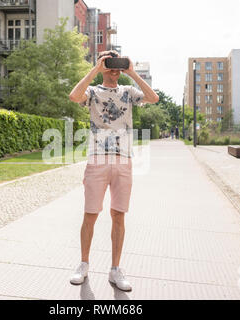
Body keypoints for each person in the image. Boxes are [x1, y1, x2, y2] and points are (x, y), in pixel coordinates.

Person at [69, 50, 159, 291]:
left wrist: (132, 72)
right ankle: (84, 264)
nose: (113, 68)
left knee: (119, 215)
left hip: (123, 160)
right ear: (102, 65)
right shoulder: (94, 92)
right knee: (91, 214)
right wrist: (94, 70)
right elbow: (74, 95)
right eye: (109, 63)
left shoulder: (128, 93)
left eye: (116, 63)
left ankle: (115, 269)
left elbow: (153, 98)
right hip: (97, 160)